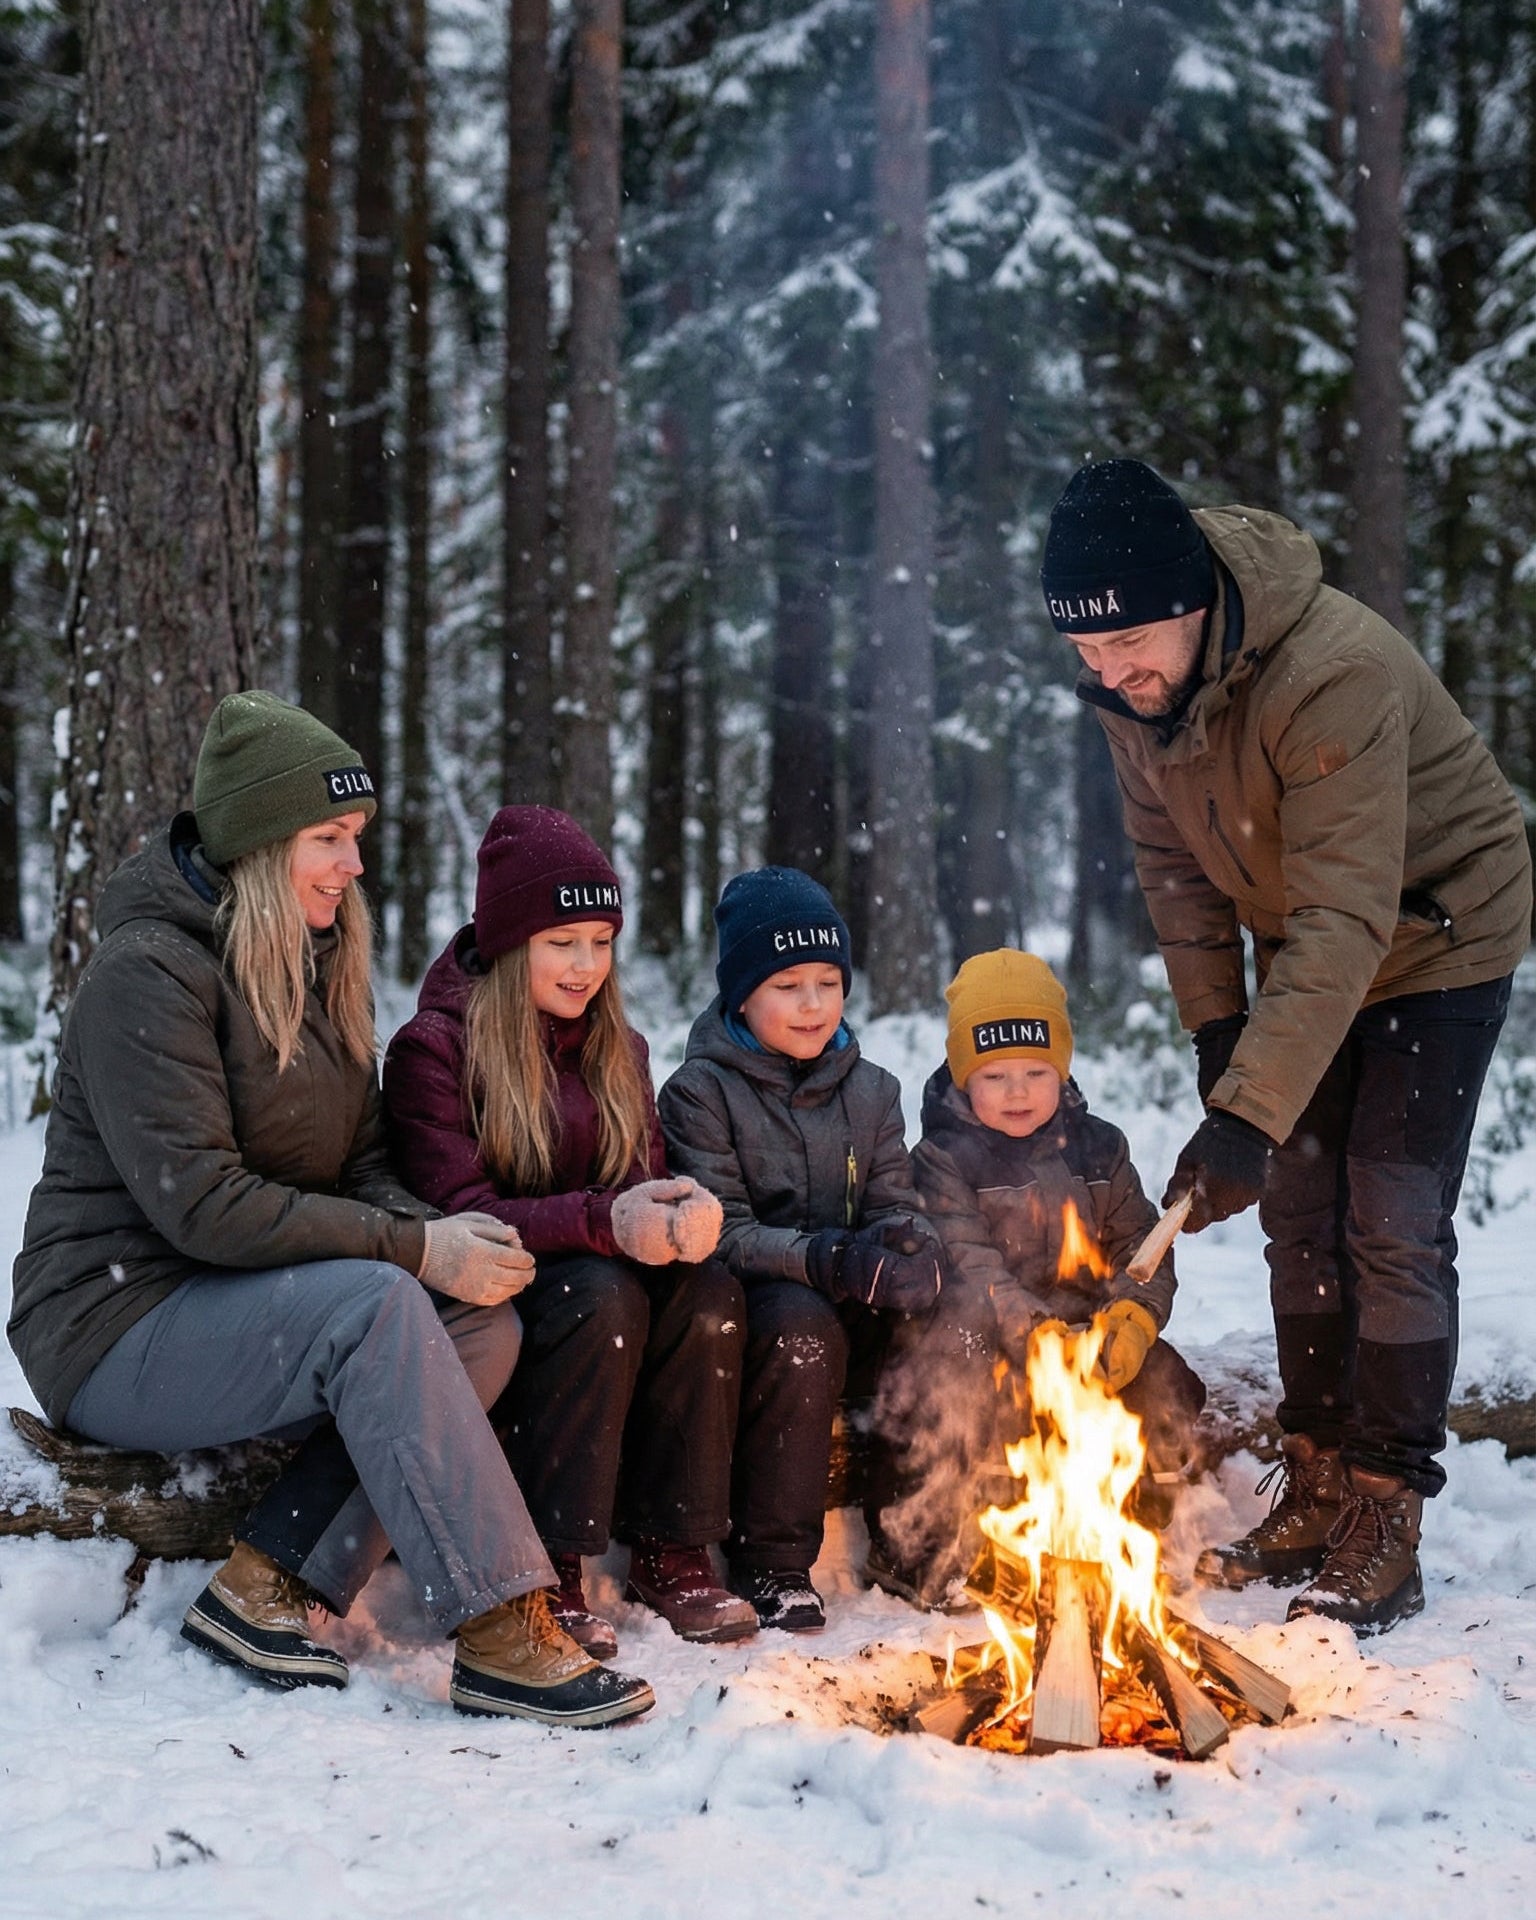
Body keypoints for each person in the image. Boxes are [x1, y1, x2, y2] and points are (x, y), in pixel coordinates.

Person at [7, 692, 653, 1727]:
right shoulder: (148, 974)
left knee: (479, 1325)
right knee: (381, 1306)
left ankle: (266, 1584)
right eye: (328, 838)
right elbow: (201, 1206)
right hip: (115, 1320)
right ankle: (500, 1628)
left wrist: (445, 1238)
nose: (354, 864)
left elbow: (360, 1162)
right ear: (260, 842)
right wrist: (411, 1248)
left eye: (355, 836)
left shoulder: (314, 964)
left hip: (240, 1300)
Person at [1039, 458, 1533, 1633]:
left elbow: (1347, 918)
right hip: (1308, 937)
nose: (1109, 675)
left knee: (1391, 1214)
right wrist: (1221, 1033)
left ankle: (1386, 1509)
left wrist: (1250, 1111)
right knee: (1298, 1209)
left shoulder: (1331, 674)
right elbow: (1174, 869)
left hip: (1437, 933)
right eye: (1087, 653)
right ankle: (1314, 1477)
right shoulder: (1136, 692)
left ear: (1192, 602)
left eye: (1127, 645)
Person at [382, 805, 756, 1654]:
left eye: (601, 941)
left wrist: (674, 1212)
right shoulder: (434, 1050)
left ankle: (673, 1546)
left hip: (598, 1266)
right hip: (493, 1290)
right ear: (511, 942)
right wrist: (606, 1223)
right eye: (562, 942)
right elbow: (461, 1210)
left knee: (708, 1294)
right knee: (600, 1295)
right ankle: (548, 1562)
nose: (586, 965)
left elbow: (638, 1176)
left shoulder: (618, 1045)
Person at [657, 866, 967, 1628]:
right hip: (762, 1314)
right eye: (787, 985)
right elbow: (721, 1233)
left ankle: (915, 1539)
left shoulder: (872, 1091)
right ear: (741, 995)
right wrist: (824, 1258)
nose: (812, 1005)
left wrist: (913, 1244)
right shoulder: (700, 1093)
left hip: (851, 1289)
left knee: (949, 1315)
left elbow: (895, 1199)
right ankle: (773, 1562)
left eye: (828, 983)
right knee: (805, 1326)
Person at [912, 949, 1206, 1531]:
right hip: (992, 1337)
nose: (1017, 1092)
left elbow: (1140, 1244)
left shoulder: (1101, 1148)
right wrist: (1034, 1333)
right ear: (964, 1077)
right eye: (995, 1076)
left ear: (1063, 1071)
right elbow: (970, 1263)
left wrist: (1133, 1317)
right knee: (986, 1399)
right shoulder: (943, 1159)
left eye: (1036, 1073)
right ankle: (994, 1523)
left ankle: (1134, 1521)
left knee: (1166, 1385)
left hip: (1092, 1331)